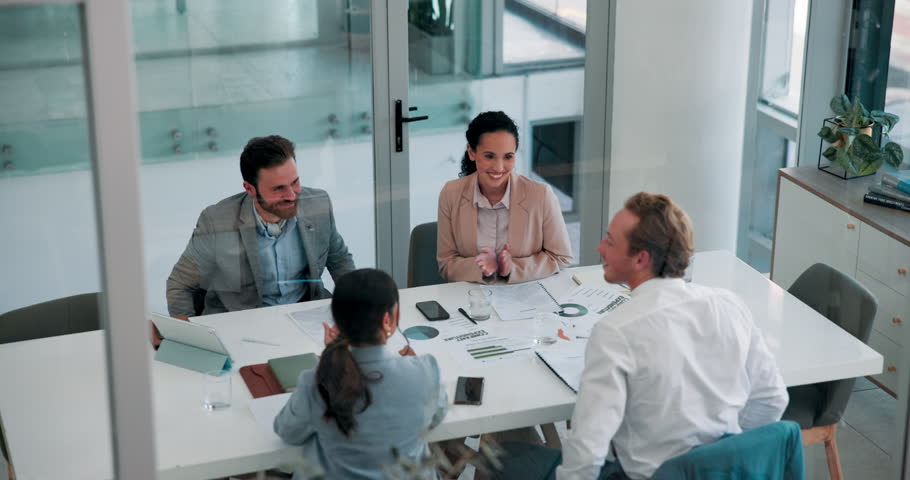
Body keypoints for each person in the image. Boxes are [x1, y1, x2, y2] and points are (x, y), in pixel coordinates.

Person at [495, 192, 789, 480]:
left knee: (501, 457)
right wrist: (724, 458)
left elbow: (589, 448)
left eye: (610, 241)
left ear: (641, 259)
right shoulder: (729, 305)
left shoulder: (616, 331)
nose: (600, 248)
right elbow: (772, 399)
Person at [273, 268, 448, 479]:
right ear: (390, 319)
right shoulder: (425, 371)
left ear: (337, 323)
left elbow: (288, 433)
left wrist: (333, 355)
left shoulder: (315, 381)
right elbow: (435, 417)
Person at [165, 135, 355, 323]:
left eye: (295, 182)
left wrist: (359, 305)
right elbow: (180, 284)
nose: (291, 195)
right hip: (241, 323)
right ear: (250, 189)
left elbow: (339, 259)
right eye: (278, 189)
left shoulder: (318, 204)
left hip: (305, 316)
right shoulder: (217, 221)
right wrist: (186, 333)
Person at [437, 111, 572, 284]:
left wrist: (511, 268)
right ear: (472, 152)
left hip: (526, 299)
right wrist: (482, 269)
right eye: (489, 156)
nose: (499, 167)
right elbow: (446, 264)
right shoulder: (451, 194)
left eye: (508, 156)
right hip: (472, 300)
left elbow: (561, 257)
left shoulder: (541, 195)